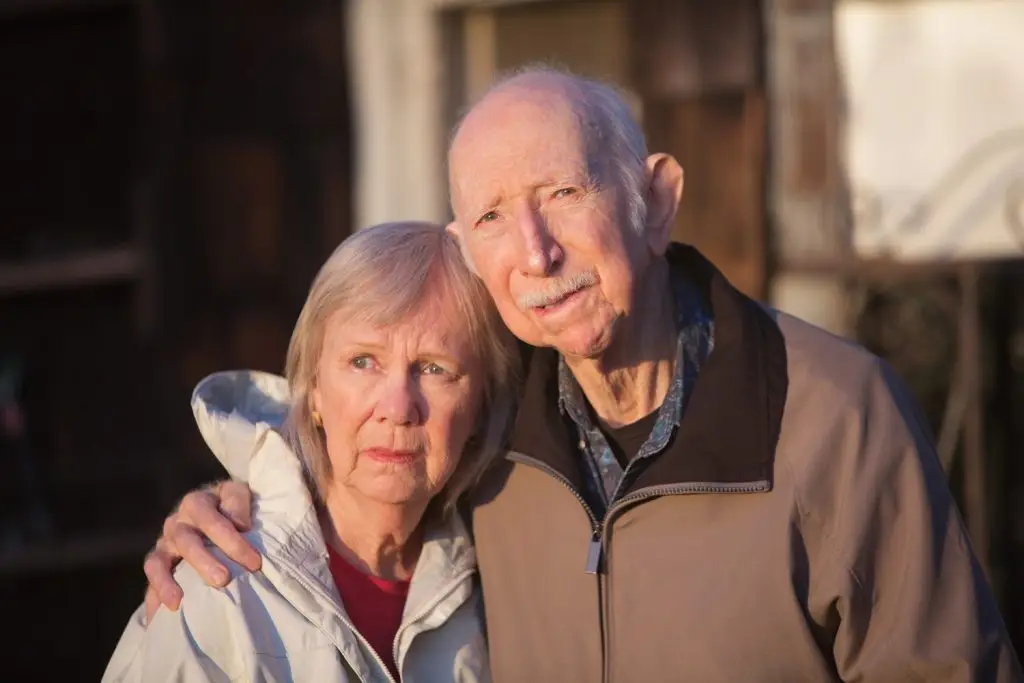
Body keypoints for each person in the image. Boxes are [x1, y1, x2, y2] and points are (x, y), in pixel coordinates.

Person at [142, 67, 1023, 681]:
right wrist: (239, 504)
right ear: (470, 257)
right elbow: (360, 471)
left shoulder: (834, 413)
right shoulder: (481, 429)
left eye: (564, 192)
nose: (536, 251)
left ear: (655, 200)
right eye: (493, 214)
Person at [103, 221, 518, 682]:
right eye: (363, 361)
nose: (398, 409)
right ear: (314, 391)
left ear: (482, 406)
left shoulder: (501, 590)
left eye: (435, 368)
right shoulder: (218, 593)